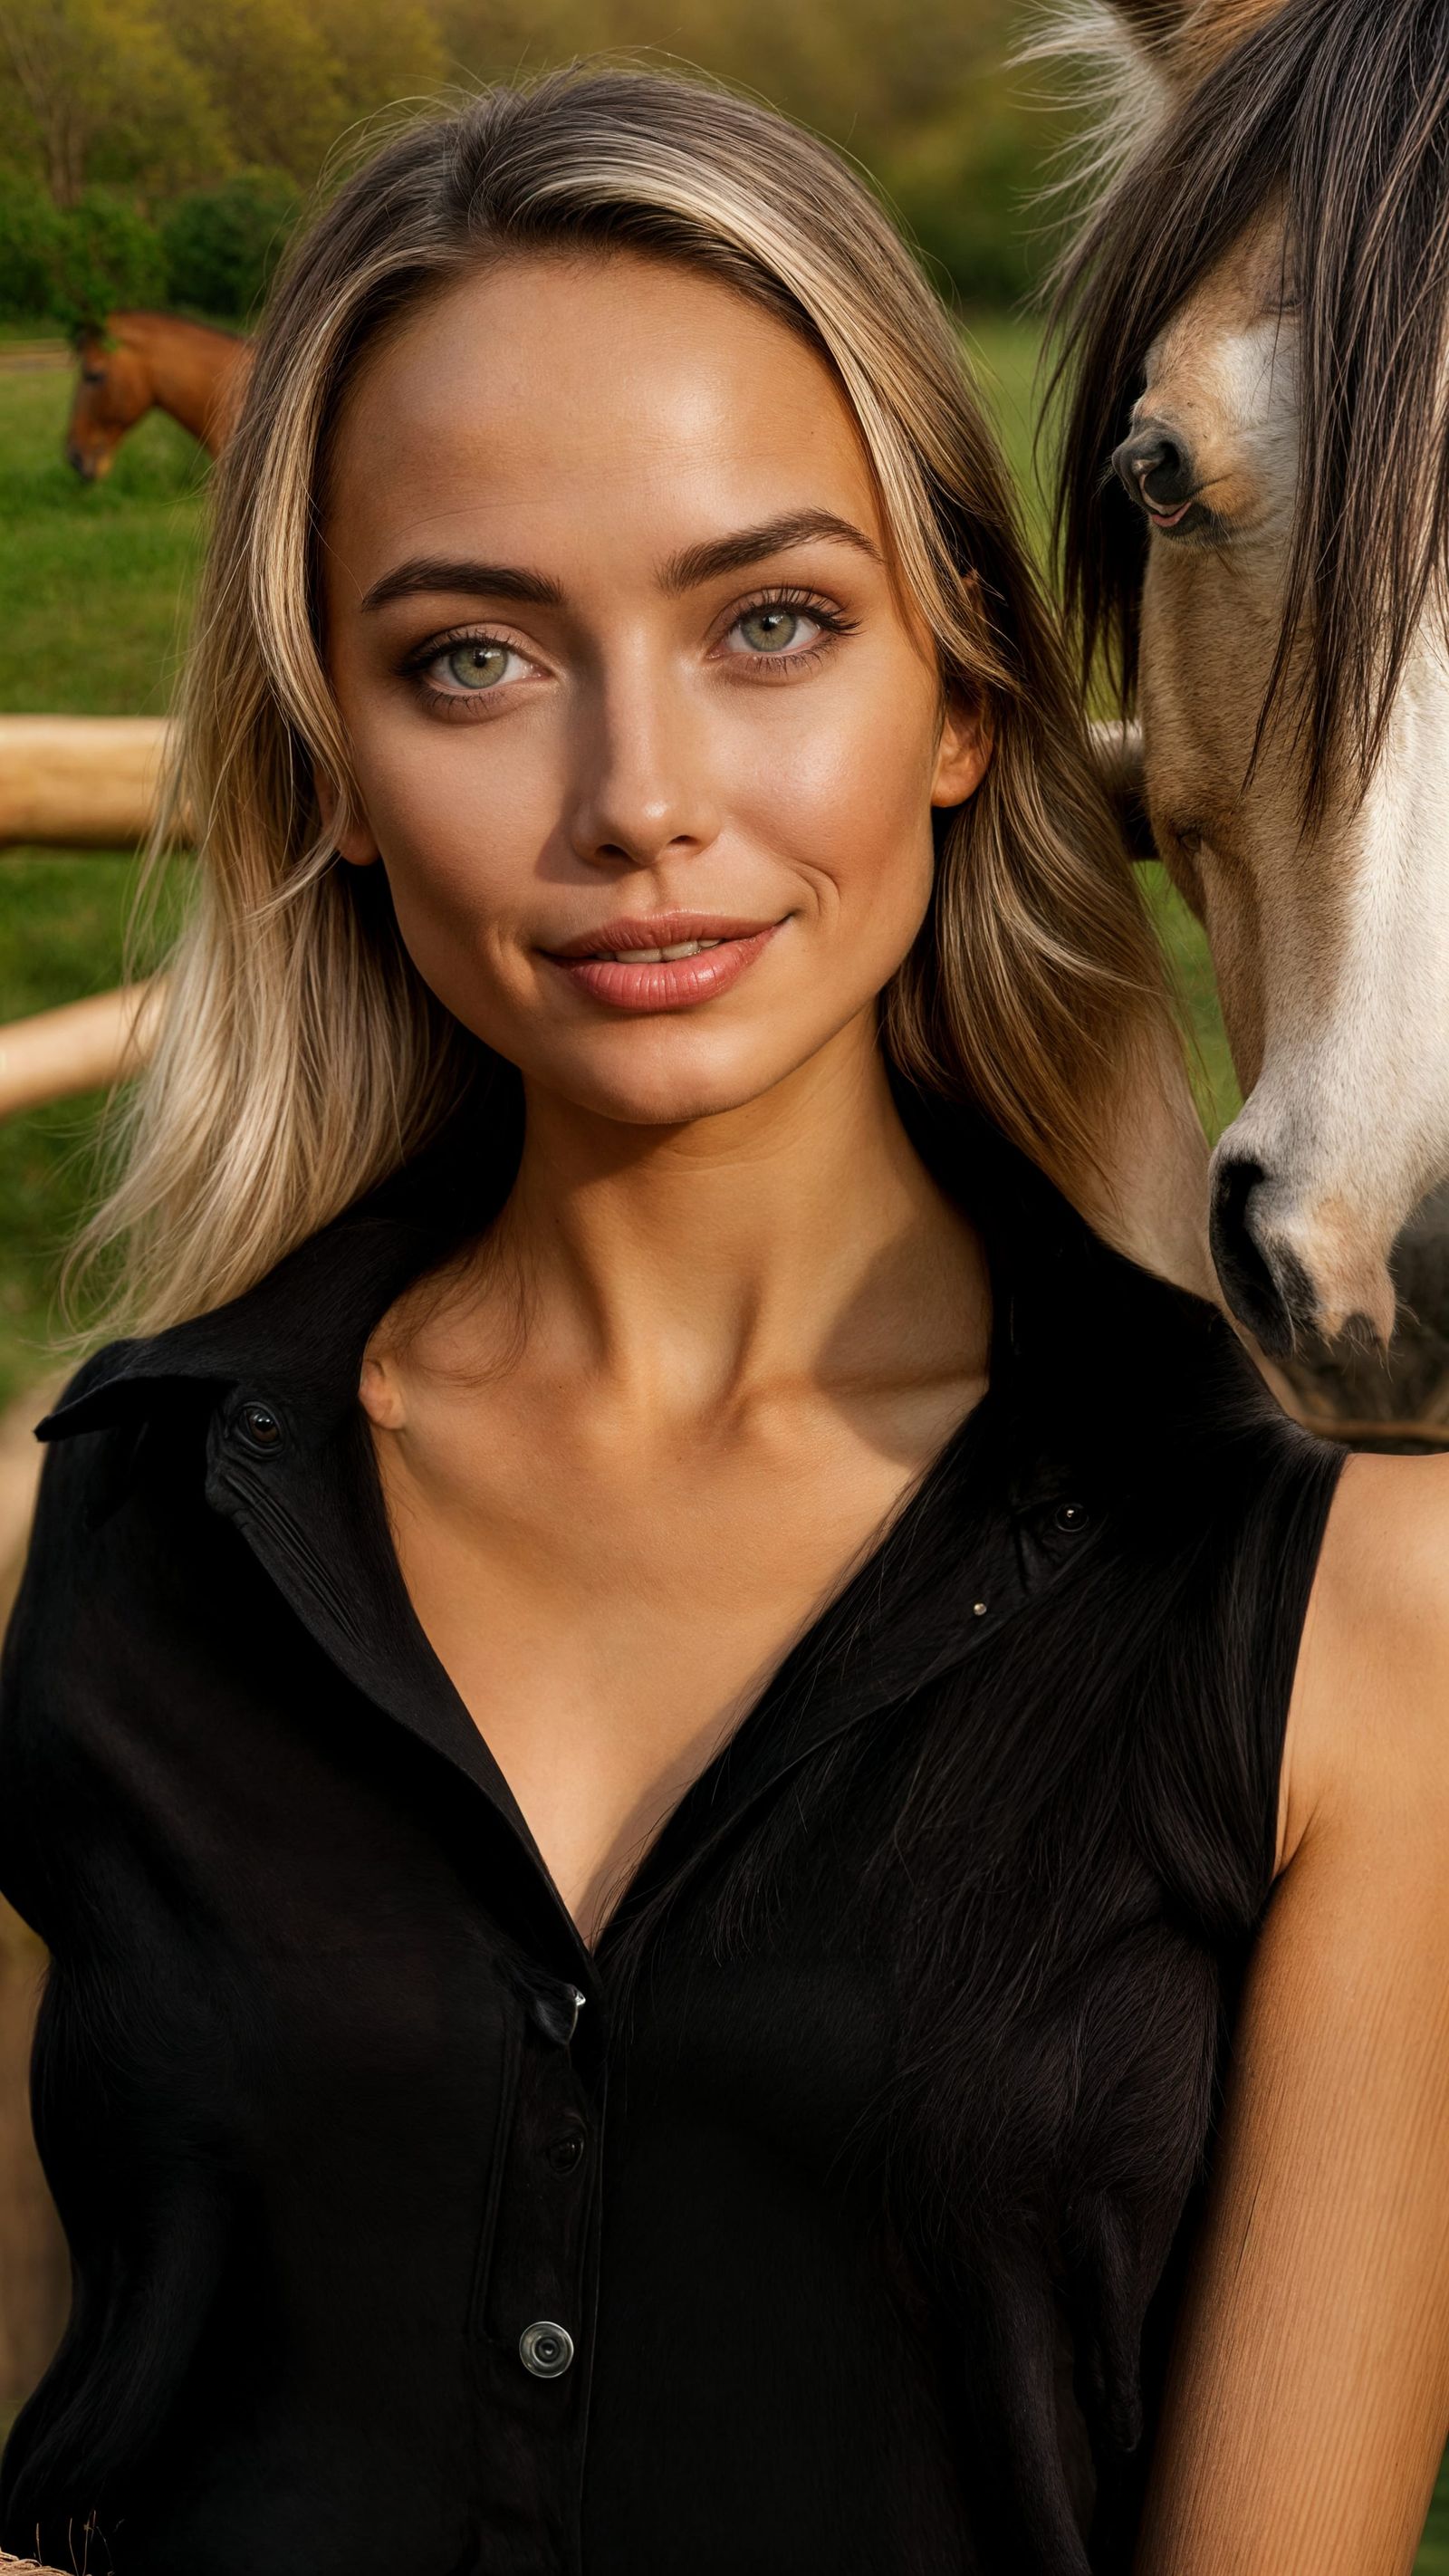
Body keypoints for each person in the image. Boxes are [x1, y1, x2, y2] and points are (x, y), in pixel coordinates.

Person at [1, 62, 1445, 2576]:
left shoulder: (1357, 1622)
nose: (638, 796)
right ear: (329, 755)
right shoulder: (57, 1549)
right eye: (470, 660)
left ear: (966, 693)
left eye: (770, 620)